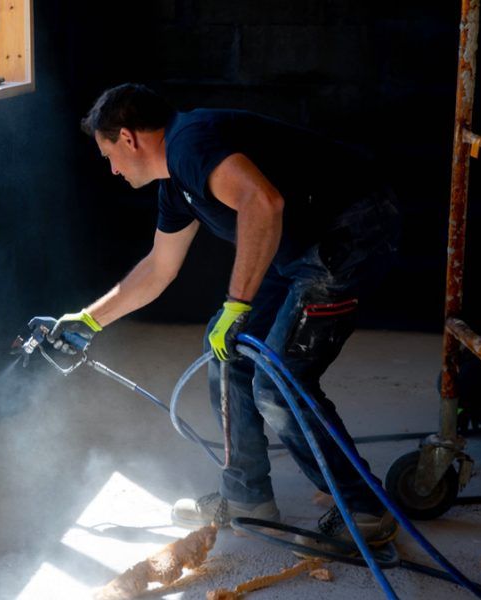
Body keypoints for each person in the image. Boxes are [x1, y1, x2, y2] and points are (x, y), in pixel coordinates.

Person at [45, 83, 401, 554]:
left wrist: (237, 305)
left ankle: (367, 511)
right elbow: (158, 268)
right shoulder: (175, 184)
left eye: (108, 154)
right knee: (230, 356)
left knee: (279, 382)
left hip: (350, 229)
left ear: (128, 138)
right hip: (298, 247)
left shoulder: (190, 141)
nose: (111, 169)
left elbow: (263, 202)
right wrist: (87, 321)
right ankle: (248, 500)